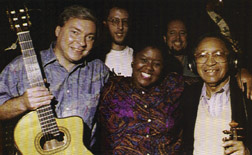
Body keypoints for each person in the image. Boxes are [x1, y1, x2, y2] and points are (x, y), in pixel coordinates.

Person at [0, 5, 109, 154]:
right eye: (75, 32)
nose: (82, 42)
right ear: (58, 31)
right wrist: (22, 103)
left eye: (89, 37)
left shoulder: (99, 71)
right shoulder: (21, 66)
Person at [97, 40, 185, 154]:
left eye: (156, 64)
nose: (149, 67)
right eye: (143, 60)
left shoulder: (172, 88)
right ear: (133, 60)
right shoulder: (113, 88)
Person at [182, 32, 252, 154]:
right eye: (202, 55)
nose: (210, 62)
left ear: (231, 61)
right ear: (193, 64)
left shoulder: (246, 93)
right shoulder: (188, 95)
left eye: (218, 54)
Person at [95, 1, 133, 77]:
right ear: (105, 24)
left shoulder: (137, 55)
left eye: (125, 22)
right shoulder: (96, 56)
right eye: (115, 21)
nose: (120, 27)